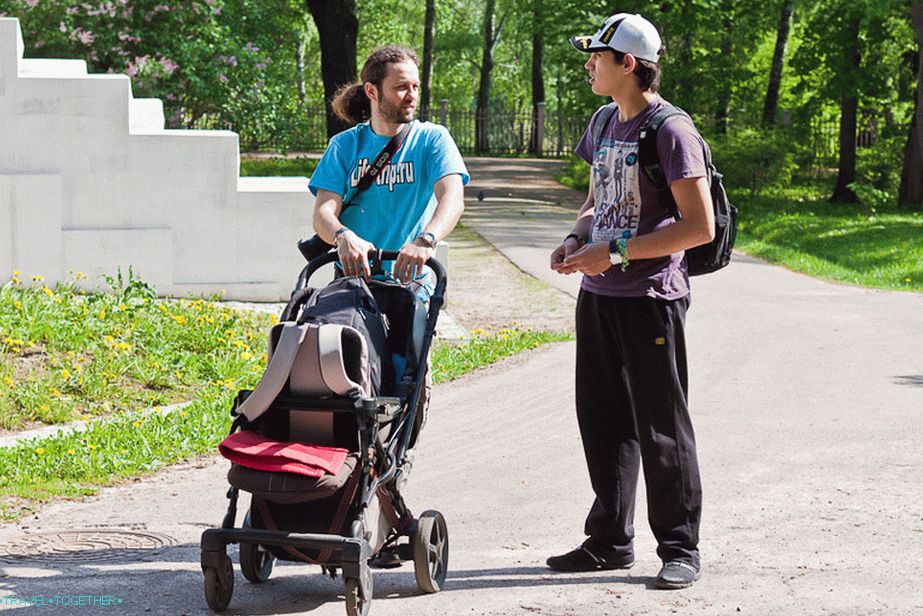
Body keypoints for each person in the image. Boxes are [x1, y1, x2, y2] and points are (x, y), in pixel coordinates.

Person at [548, 13, 714, 590]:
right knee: (602, 420)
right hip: (598, 295)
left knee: (661, 425)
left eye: (597, 55)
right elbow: (598, 201)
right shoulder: (602, 121)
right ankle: (610, 542)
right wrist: (576, 238)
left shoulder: (671, 131)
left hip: (650, 298)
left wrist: (615, 253)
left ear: (629, 64)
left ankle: (680, 548)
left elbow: (699, 227)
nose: (589, 63)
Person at [310, 45, 468, 294]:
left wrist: (426, 239)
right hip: (353, 283)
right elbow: (322, 213)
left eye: (415, 87)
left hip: (410, 286)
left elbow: (453, 198)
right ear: (372, 91)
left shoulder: (432, 139)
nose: (411, 95)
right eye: (401, 87)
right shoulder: (344, 145)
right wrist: (343, 236)